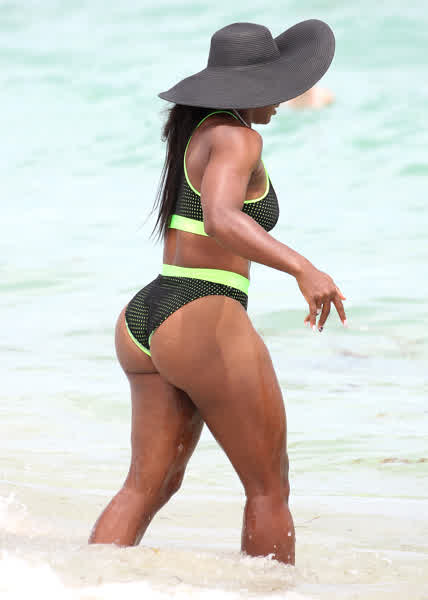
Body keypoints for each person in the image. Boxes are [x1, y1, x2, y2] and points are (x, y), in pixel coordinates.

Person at [89, 20, 347, 565]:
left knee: (147, 486)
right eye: (274, 84)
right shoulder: (237, 137)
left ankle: (85, 584)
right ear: (247, 87)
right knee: (269, 489)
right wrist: (303, 268)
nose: (281, 98)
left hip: (149, 314)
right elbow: (222, 218)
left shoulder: (199, 132)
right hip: (203, 313)